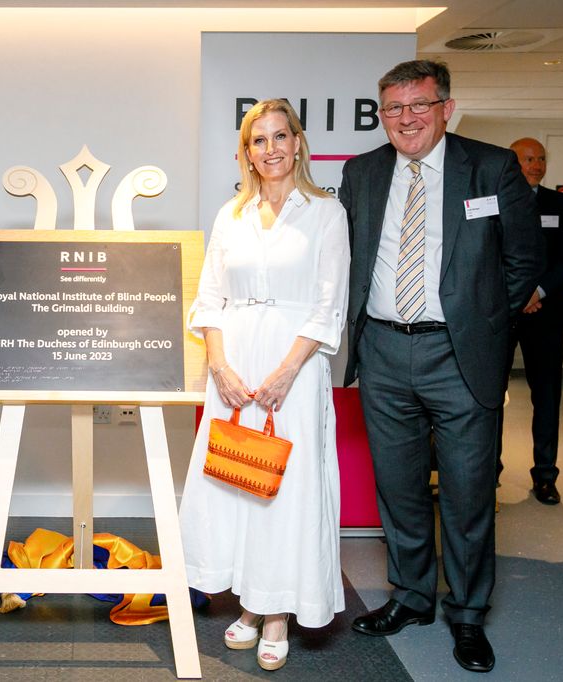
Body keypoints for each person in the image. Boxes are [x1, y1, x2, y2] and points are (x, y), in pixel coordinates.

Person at [339, 60, 543, 673]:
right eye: (394, 109)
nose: (406, 119)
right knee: (398, 488)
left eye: (419, 105)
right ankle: (411, 597)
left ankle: (468, 614)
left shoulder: (491, 166)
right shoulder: (362, 171)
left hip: (460, 355)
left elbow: (523, 260)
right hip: (382, 350)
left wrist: (481, 326)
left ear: (446, 107)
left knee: (467, 491)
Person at [179, 99, 350, 672]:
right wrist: (220, 368)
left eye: (281, 136)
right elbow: (209, 298)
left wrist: (285, 372)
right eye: (259, 140)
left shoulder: (326, 213)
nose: (271, 148)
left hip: (293, 371)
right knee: (239, 479)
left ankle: (276, 613)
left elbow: (330, 305)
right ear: (246, 151)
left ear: (298, 143)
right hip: (234, 367)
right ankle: (248, 604)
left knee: (286, 489)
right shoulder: (230, 214)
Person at [496, 138, 563, 505]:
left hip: (546, 313)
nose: (536, 164)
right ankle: (488, 472)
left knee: (546, 397)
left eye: (541, 158)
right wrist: (517, 294)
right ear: (511, 162)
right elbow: (485, 256)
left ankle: (545, 476)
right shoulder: (493, 202)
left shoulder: (561, 204)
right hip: (503, 313)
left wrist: (538, 291)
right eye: (528, 158)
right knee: (490, 397)